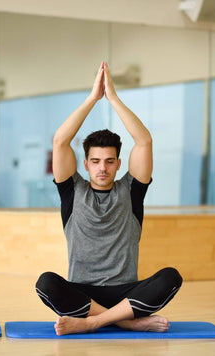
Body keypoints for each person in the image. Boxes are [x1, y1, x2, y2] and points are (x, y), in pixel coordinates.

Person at [35, 61, 182, 336]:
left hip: (125, 293)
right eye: (95, 161)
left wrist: (113, 98)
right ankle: (125, 322)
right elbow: (59, 142)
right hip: (84, 294)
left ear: (118, 163)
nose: (102, 168)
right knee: (46, 283)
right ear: (86, 163)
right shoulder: (71, 190)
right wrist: (93, 98)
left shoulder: (131, 190)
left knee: (171, 277)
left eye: (109, 161)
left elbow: (144, 142)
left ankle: (94, 323)